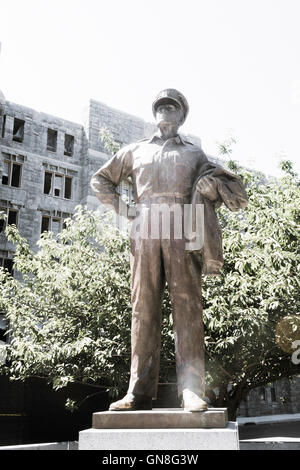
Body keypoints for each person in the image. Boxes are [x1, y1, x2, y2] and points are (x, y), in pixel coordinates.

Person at [90, 89, 248, 412]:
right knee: (142, 307)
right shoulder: (134, 151)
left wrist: (211, 186)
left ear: (181, 116)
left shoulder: (194, 154)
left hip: (181, 226)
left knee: (187, 309)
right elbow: (99, 180)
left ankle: (191, 389)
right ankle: (137, 390)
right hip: (144, 227)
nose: (165, 110)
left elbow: (237, 192)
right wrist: (123, 207)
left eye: (171, 106)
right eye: (161, 106)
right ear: (154, 113)